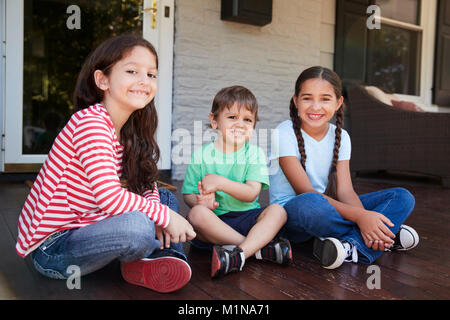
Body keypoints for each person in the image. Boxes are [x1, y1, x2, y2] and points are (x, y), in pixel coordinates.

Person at [16, 34, 196, 293]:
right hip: (54, 249)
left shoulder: (128, 130)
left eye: (151, 75)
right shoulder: (92, 123)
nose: (144, 81)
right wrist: (163, 218)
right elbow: (109, 198)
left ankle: (157, 262)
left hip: (89, 224)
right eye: (132, 71)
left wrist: (159, 211)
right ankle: (155, 255)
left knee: (162, 198)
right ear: (103, 80)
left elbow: (145, 184)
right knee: (139, 225)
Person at [269, 66, 419, 269]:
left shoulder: (342, 136)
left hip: (332, 208)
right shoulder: (283, 132)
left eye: (325, 99)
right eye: (307, 98)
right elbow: (305, 192)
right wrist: (361, 217)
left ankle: (351, 245)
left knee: (402, 197)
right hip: (294, 215)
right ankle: (380, 236)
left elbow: (345, 191)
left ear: (339, 103)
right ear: (296, 101)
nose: (315, 107)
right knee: (311, 203)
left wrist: (364, 216)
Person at [182, 85, 291, 279]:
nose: (240, 124)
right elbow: (188, 193)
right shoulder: (202, 155)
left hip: (247, 217)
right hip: (215, 223)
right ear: (214, 121)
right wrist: (200, 202)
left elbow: (251, 194)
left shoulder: (254, 154)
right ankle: (256, 248)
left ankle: (237, 253)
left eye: (247, 120)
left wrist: (220, 183)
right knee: (196, 214)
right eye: (232, 117)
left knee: (278, 211)